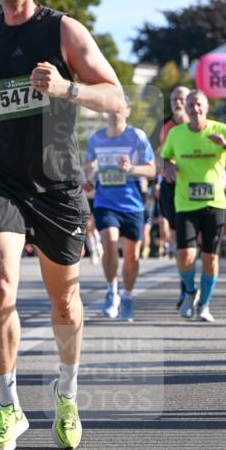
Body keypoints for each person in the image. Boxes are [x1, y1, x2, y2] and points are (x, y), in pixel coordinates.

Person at [0, 0, 123, 450]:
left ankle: (68, 394)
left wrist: (66, 89)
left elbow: (117, 97)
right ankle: (8, 406)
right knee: (1, 287)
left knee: (65, 301)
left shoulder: (63, 30)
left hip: (55, 181)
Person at [161, 89, 226, 322]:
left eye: (199, 105)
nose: (194, 109)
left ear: (206, 107)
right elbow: (165, 156)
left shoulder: (221, 130)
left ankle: (204, 304)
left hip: (214, 203)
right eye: (191, 105)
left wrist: (225, 145)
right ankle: (190, 292)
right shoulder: (176, 133)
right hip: (185, 202)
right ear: (186, 107)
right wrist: (169, 166)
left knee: (210, 258)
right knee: (185, 254)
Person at [83, 97, 156, 322]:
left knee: (132, 257)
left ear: (127, 110)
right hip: (106, 202)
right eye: (110, 107)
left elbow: (152, 170)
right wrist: (88, 174)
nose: (114, 111)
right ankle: (111, 290)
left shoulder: (137, 137)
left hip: (132, 205)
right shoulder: (96, 139)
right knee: (110, 244)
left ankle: (126, 296)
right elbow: (87, 166)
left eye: (118, 108)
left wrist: (131, 168)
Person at [158, 85, 190, 297]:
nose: (177, 103)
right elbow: (159, 152)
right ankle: (185, 287)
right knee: (180, 237)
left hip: (194, 185)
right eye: (174, 100)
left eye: (181, 99)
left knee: (192, 238)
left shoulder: (200, 126)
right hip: (170, 184)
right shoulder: (165, 125)